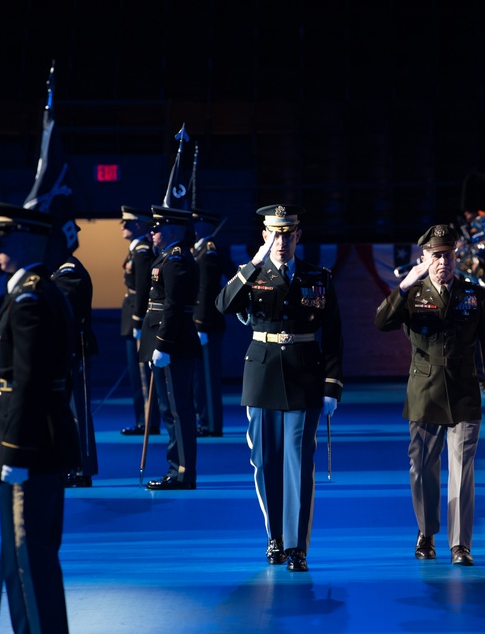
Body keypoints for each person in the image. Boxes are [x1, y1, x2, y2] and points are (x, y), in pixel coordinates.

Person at [216, 204, 343, 571]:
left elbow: (333, 335)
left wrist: (332, 385)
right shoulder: (253, 273)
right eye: (274, 232)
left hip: (305, 374)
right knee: (266, 462)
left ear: (298, 236)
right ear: (264, 235)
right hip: (262, 374)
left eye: (288, 233)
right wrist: (251, 264)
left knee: (299, 464)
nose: (281, 240)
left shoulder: (317, 276)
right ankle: (274, 538)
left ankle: (297, 546)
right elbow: (223, 305)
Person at [374, 223, 485, 566]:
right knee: (422, 468)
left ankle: (460, 544)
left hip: (463, 390)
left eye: (447, 255)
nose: (442, 262)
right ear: (424, 258)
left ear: (456, 255)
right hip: (424, 391)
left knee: (462, 470)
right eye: (435, 256)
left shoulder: (473, 294)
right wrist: (403, 286)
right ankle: (426, 532)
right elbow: (381, 322)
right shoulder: (413, 294)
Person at [0, 201, 80, 634]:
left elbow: (30, 382)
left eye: (3, 241)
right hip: (38, 441)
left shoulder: (31, 299)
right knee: (23, 563)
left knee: (28, 564)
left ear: (26, 241)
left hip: (30, 446)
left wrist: (15, 452)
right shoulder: (40, 291)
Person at [140, 200, 202, 490]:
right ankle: (177, 468)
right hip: (171, 345)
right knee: (170, 410)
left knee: (178, 410)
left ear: (173, 229)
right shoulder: (168, 257)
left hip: (174, 346)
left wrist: (163, 345)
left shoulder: (175, 259)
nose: (153, 232)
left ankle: (182, 472)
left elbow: (174, 306)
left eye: (158, 227)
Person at [51, 242, 99, 487]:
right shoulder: (60, 270)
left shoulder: (68, 272)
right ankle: (73, 466)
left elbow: (62, 314)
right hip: (67, 348)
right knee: (69, 410)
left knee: (77, 409)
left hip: (74, 347)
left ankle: (82, 469)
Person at [118, 205, 159, 436]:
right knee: (136, 373)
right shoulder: (136, 250)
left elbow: (143, 288)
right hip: (132, 311)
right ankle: (143, 420)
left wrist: (138, 319)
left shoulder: (142, 251)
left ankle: (147, 422)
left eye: (126, 222)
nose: (122, 226)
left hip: (138, 314)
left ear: (138, 225)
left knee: (143, 374)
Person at [192, 208, 228, 437]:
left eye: (197, 224)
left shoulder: (209, 253)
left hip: (207, 324)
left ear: (206, 226)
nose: (193, 228)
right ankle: (204, 420)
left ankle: (212, 424)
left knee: (208, 378)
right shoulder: (199, 251)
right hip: (200, 323)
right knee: (200, 378)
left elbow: (206, 292)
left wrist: (201, 325)